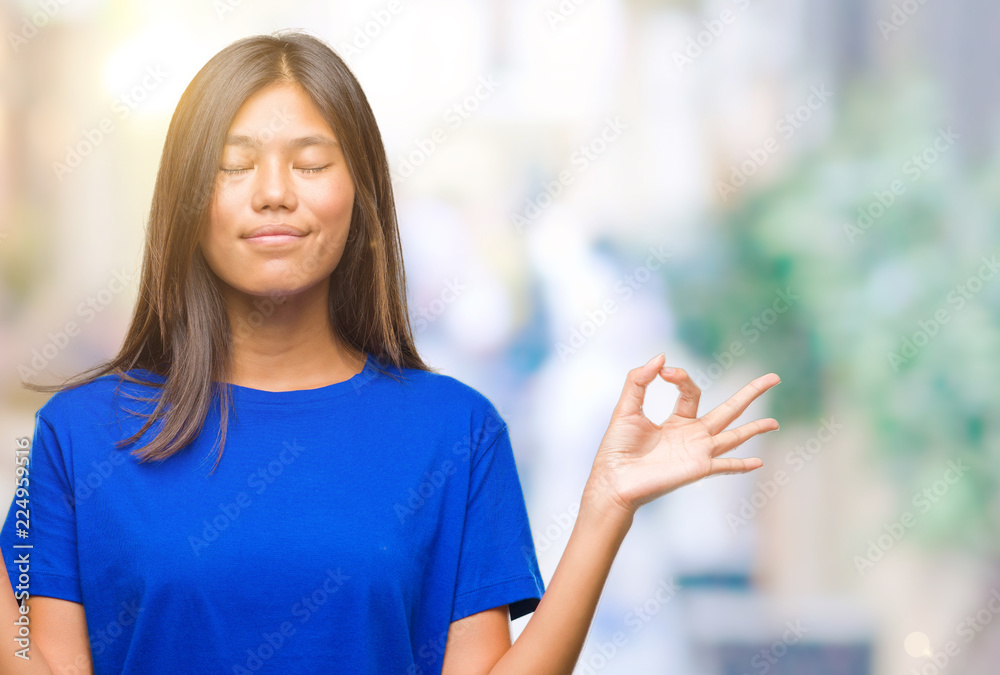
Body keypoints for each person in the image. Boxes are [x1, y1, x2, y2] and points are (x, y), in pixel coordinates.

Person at [0, 29, 780, 675]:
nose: (275, 191)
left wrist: (606, 506)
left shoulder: (455, 431)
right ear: (185, 199)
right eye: (234, 165)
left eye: (310, 164)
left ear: (360, 195)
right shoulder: (78, 436)